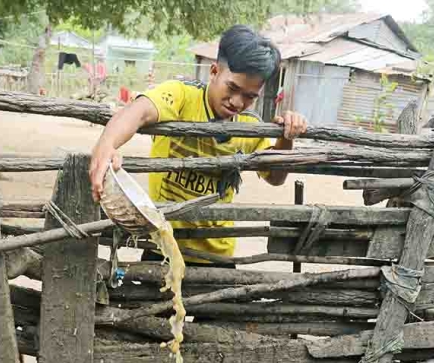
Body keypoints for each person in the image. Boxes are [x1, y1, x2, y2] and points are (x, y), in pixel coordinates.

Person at [89, 24, 308, 268]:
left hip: (217, 254)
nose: (237, 102)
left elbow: (275, 178)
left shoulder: (250, 125)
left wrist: (286, 137)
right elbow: (137, 112)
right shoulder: (181, 96)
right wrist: (107, 145)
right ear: (214, 71)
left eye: (249, 96)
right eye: (232, 88)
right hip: (162, 247)